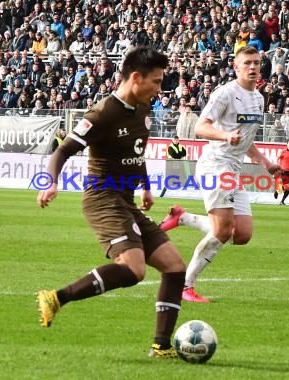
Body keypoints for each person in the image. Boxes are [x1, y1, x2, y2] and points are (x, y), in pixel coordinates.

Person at [35, 46, 186, 359]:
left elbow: (136, 151)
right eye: (156, 81)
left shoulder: (143, 108)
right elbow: (62, 151)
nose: (159, 89)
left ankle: (161, 346)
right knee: (134, 269)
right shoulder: (103, 113)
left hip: (126, 200)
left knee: (174, 267)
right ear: (135, 78)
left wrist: (145, 187)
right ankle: (56, 298)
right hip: (102, 197)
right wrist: (50, 182)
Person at [158, 46, 282, 303]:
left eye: (256, 63)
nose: (252, 67)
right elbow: (201, 127)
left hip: (233, 168)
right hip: (215, 164)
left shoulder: (258, 98)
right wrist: (225, 135)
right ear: (236, 67)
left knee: (242, 234)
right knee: (223, 231)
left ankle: (183, 218)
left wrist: (265, 162)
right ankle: (185, 286)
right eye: (247, 62)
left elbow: (245, 138)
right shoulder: (225, 93)